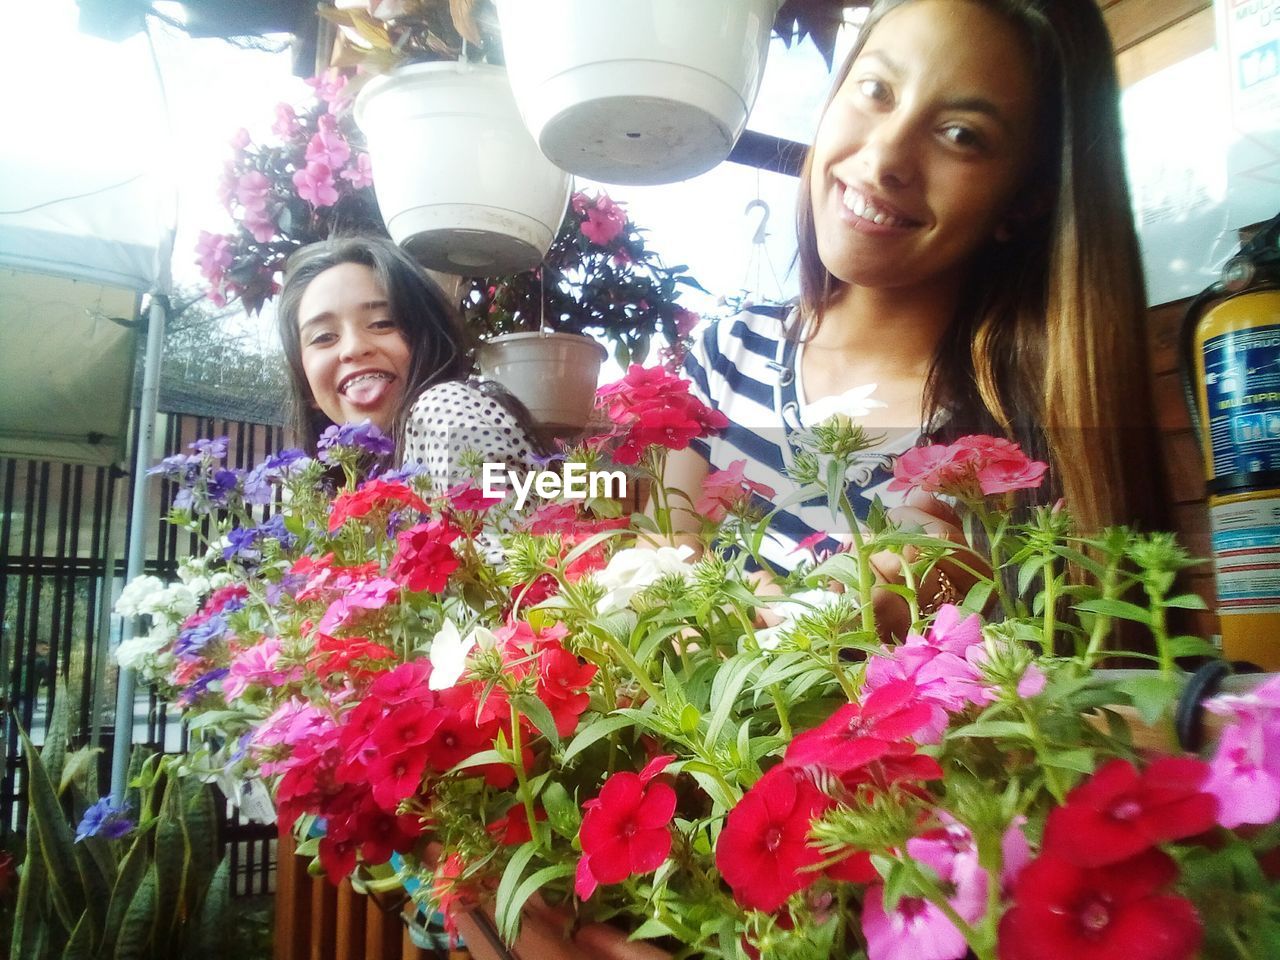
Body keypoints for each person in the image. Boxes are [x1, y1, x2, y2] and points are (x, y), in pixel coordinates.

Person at [665, 0, 1169, 623]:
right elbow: (654, 596)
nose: (883, 159)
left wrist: (973, 622)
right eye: (876, 89)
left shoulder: (1031, 436)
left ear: (1028, 199)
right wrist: (740, 621)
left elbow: (1103, 675)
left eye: (961, 134)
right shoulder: (724, 358)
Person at [275, 237, 541, 493]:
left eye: (382, 323)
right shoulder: (358, 479)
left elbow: (498, 533)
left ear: (429, 341)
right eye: (323, 337)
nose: (354, 348)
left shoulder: (444, 409)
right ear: (307, 386)